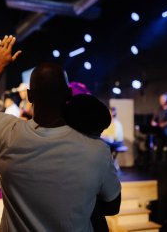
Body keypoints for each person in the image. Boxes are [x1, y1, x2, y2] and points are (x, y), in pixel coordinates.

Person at [0, 35, 121, 232]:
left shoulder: (6, 134)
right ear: (69, 94)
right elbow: (112, 206)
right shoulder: (97, 150)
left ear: (30, 96)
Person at [63, 94, 116, 232]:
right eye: (97, 133)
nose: (99, 137)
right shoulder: (98, 149)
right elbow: (113, 206)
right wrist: (88, 203)